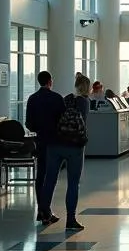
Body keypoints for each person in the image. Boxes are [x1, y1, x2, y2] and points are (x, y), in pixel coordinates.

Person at [41, 73, 91, 230]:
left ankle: (45, 214)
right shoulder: (85, 102)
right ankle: (70, 220)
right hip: (75, 146)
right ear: (88, 88)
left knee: (49, 179)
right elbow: (82, 122)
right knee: (73, 183)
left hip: (55, 143)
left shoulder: (65, 99)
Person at [25, 70, 65, 225]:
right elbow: (63, 120)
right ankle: (46, 210)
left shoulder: (32, 99)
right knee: (51, 177)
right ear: (50, 81)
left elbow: (29, 123)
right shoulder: (57, 98)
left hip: (40, 140)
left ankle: (42, 210)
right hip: (55, 141)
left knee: (40, 175)